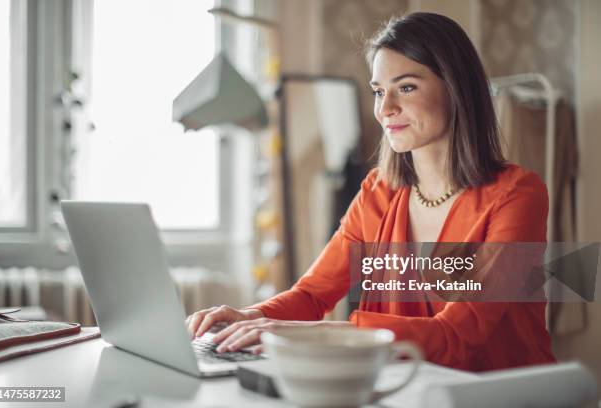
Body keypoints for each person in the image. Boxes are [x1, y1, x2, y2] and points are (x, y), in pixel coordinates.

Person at [185, 12, 556, 372]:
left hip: (500, 393)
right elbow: (313, 295)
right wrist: (250, 317)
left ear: (455, 89)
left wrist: (319, 335)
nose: (385, 108)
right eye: (379, 91)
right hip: (407, 386)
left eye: (406, 87)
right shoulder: (379, 190)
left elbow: (457, 333)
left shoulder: (518, 195)